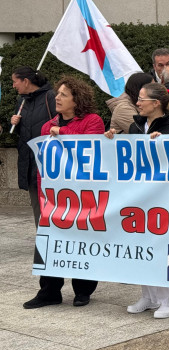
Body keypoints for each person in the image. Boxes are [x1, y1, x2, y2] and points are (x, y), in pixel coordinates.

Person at [105, 82, 169, 318]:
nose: (138, 103)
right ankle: (149, 295)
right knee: (141, 244)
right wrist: (112, 140)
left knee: (167, 245)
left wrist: (162, 143)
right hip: (141, 196)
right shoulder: (135, 126)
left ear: (156, 103)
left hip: (167, 196)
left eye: (142, 99)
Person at [23, 76, 105, 309]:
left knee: (82, 239)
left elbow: (91, 148)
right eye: (57, 94)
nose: (57, 98)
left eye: (63, 95)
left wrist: (64, 133)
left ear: (76, 100)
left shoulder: (93, 121)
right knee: (49, 241)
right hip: (52, 195)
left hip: (83, 194)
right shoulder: (48, 126)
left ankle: (83, 290)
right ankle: (49, 291)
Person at [9, 66, 57, 226]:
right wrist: (16, 124)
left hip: (50, 163)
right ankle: (42, 240)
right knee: (37, 206)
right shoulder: (21, 101)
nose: (14, 86)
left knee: (54, 205)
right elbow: (23, 134)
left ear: (26, 81)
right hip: (29, 163)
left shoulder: (50, 97)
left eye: (15, 82)